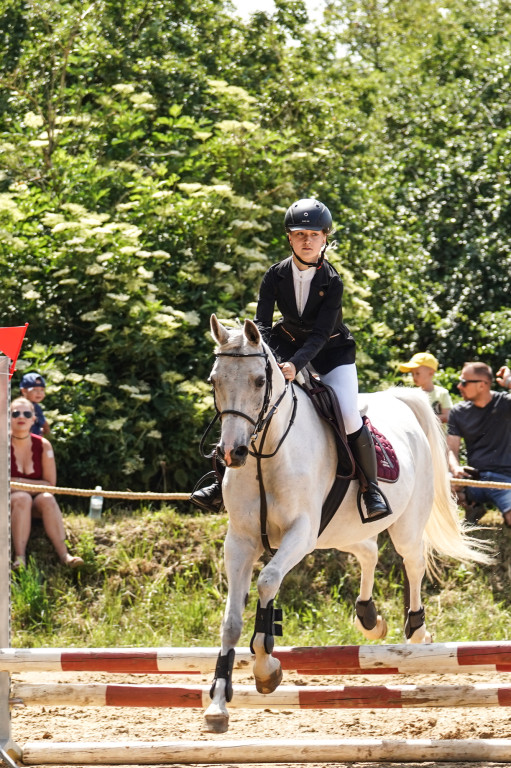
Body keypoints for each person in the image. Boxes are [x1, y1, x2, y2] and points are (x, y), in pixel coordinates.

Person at [190, 198, 389, 519]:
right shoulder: (274, 276)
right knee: (246, 398)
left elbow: (321, 334)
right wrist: (266, 358)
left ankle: (371, 489)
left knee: (349, 415)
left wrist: (295, 364)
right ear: (289, 238)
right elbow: (263, 326)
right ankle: (219, 481)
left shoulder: (333, 281)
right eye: (299, 234)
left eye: (314, 234)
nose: (306, 240)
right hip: (284, 345)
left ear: (325, 238)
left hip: (332, 353)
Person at [10, 396, 83, 569]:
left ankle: (65, 555)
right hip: (8, 503)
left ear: (34, 419)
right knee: (22, 498)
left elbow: (50, 485)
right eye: (15, 413)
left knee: (47, 498)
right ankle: (19, 557)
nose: (21, 417)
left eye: (27, 413)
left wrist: (16, 481)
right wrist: (26, 487)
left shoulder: (43, 445)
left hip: (33, 503)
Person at [447, 362, 511, 527]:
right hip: (473, 480)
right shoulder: (458, 412)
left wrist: (509, 381)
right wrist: (456, 469)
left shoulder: (505, 404)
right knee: (441, 486)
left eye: (464, 382)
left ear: (482, 385)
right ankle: (472, 506)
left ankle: (476, 508)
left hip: (504, 481)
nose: (459, 386)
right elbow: (451, 450)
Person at [398, 352, 453, 423]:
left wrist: (425, 420)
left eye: (417, 373)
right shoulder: (413, 395)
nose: (414, 377)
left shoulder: (442, 393)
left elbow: (447, 416)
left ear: (431, 373)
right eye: (412, 373)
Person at [19, 371, 50, 436]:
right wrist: (46, 433)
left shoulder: (17, 405)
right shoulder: (33, 407)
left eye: (42, 390)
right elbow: (45, 425)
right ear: (24, 391)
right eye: (35, 389)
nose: (39, 393)